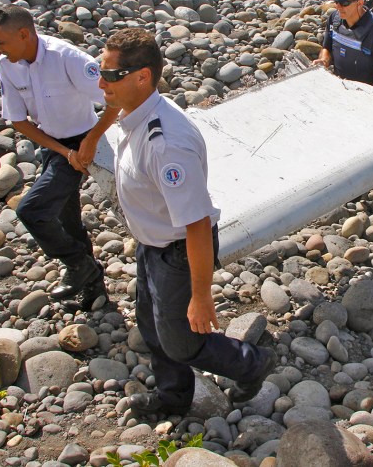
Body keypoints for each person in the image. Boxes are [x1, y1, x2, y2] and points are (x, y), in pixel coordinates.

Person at [98, 28, 277, 416]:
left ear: (142, 77)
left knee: (182, 341)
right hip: (154, 244)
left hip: (179, 250)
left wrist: (201, 295)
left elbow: (196, 225)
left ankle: (252, 363)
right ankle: (174, 397)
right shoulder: (137, 111)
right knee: (151, 322)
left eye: (110, 76)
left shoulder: (166, 145)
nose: (101, 83)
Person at [0, 6, 117, 310]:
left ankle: (79, 265)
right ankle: (93, 289)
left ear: (23, 34)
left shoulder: (66, 57)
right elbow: (18, 121)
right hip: (55, 146)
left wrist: (90, 142)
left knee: (32, 210)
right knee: (66, 218)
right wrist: (62, 152)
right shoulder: (8, 64)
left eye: (2, 42)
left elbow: (114, 99)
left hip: (84, 140)